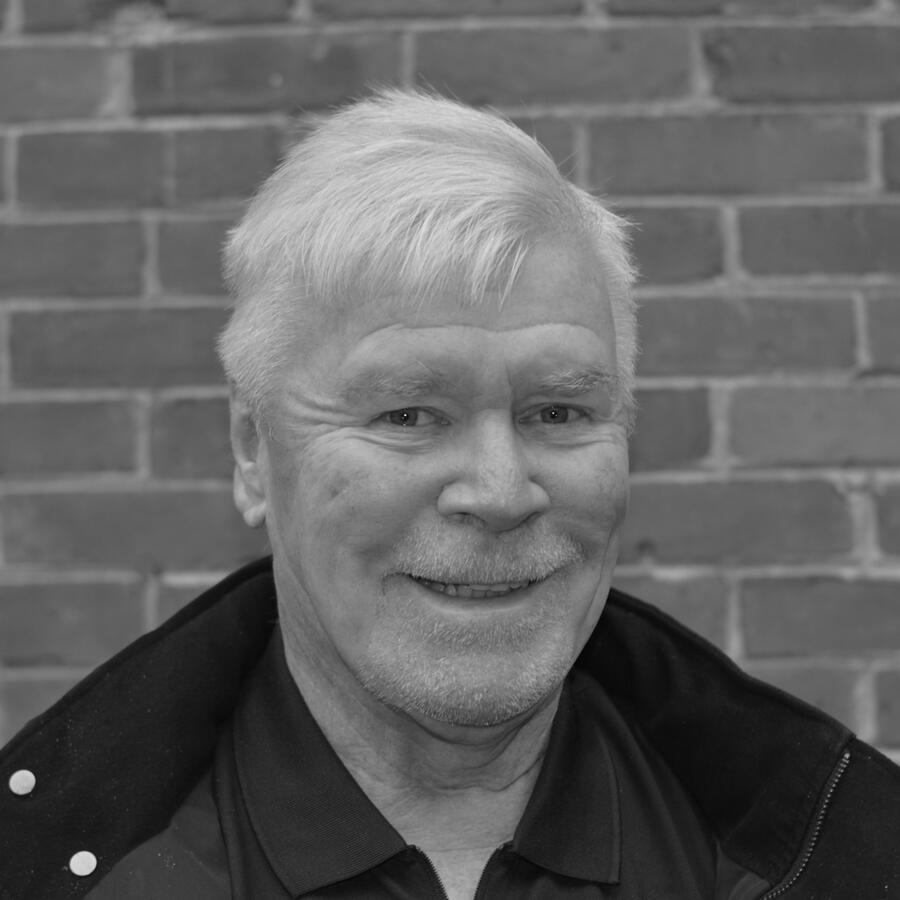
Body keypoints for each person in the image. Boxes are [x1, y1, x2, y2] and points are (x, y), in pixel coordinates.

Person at [1, 88, 898, 900]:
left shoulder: (837, 853)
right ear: (251, 450)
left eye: (557, 411)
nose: (500, 492)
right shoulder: (68, 870)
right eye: (408, 415)